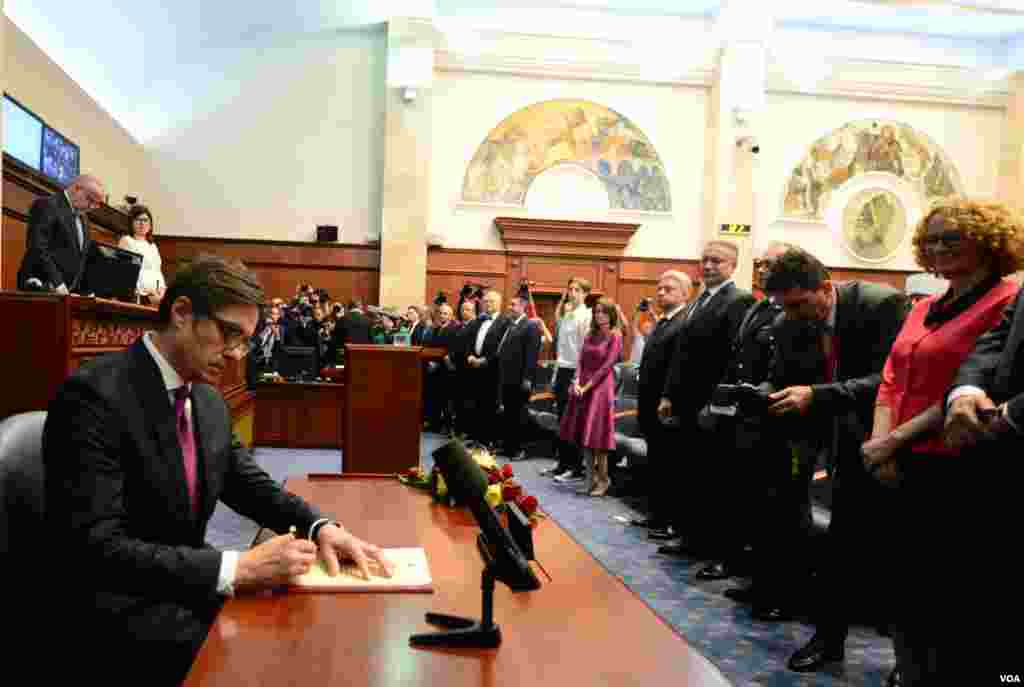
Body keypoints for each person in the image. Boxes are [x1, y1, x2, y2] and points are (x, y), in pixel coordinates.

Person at [43, 254, 394, 686]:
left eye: (245, 340)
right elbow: (97, 549)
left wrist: (319, 525)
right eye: (229, 333)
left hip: (183, 587)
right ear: (182, 313)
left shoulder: (206, 400)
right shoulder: (94, 397)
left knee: (316, 634)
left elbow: (247, 484)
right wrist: (235, 570)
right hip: (116, 613)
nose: (234, 355)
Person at [864, 201, 1022, 686]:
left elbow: (973, 382)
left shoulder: (1002, 298)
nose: (937, 247)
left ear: (987, 242)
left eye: (951, 238)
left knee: (952, 599)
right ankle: (910, 670)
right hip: (900, 460)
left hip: (955, 462)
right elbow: (892, 375)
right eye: (930, 238)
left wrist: (893, 441)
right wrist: (879, 444)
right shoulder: (924, 307)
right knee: (905, 589)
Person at [763, 248, 908, 674]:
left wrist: (817, 394)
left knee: (897, 552)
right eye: (783, 306)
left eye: (798, 304)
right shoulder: (790, 320)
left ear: (825, 289)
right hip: (841, 442)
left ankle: (907, 660)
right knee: (839, 548)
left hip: (893, 441)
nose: (790, 314)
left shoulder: (881, 304)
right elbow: (793, 376)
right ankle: (828, 641)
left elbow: (888, 379)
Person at [657, 241, 755, 555]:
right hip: (685, 402)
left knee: (711, 479)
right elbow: (682, 353)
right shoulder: (700, 299)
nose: (709, 265)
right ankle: (689, 536)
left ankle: (709, 544)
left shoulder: (738, 300)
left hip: (711, 405)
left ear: (733, 265)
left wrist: (715, 403)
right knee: (690, 473)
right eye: (705, 260)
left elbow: (732, 358)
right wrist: (669, 394)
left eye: (717, 260)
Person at [630, 271, 692, 533]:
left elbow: (678, 367)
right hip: (649, 402)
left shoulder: (684, 322)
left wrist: (668, 398)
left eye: (669, 289)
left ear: (685, 294)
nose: (661, 293)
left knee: (669, 466)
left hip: (665, 405)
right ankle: (655, 514)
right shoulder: (664, 321)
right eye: (660, 288)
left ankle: (668, 521)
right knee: (655, 462)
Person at [559, 298, 623, 496]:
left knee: (598, 438)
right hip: (583, 387)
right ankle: (589, 480)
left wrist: (586, 386)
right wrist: (576, 380)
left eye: (603, 312)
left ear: (611, 314)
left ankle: (603, 480)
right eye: (596, 311)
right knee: (584, 436)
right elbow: (580, 360)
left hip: (601, 388)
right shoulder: (590, 334)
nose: (599, 315)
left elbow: (607, 366)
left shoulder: (615, 336)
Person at [17, 174, 106, 293]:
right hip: (41, 286)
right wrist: (57, 282)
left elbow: (80, 259)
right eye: (90, 200)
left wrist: (86, 290)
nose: (91, 207)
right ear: (77, 188)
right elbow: (37, 247)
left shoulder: (84, 219)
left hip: (66, 293)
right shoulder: (47, 205)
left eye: (96, 204)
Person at [550, 278, 593, 482]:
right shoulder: (567, 315)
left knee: (573, 422)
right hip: (563, 370)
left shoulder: (586, 315)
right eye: (570, 289)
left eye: (577, 290)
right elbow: (561, 349)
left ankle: (576, 468)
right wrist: (555, 374)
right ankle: (562, 464)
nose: (572, 293)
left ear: (585, 294)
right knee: (561, 420)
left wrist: (578, 378)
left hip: (576, 372)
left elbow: (585, 350)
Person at [462, 289, 511, 448]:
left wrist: (485, 360)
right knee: (476, 403)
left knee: (489, 405)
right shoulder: (479, 320)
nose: (488, 304)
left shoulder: (505, 322)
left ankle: (488, 440)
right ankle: (477, 438)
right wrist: (469, 355)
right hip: (475, 367)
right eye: (486, 301)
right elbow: (469, 339)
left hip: (492, 370)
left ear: (499, 303)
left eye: (491, 301)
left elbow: (502, 348)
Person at [497, 294, 543, 460]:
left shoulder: (530, 326)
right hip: (508, 378)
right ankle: (508, 446)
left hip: (520, 379)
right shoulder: (512, 325)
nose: (510, 307)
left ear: (523, 307)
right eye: (510, 304)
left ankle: (520, 450)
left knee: (519, 416)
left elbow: (532, 355)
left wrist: (528, 378)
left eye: (513, 305)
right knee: (509, 414)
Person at [118, 205, 167, 303]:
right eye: (138, 219)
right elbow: (128, 272)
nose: (142, 223)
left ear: (150, 224)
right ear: (131, 222)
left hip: (155, 296)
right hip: (138, 296)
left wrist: (162, 289)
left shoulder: (152, 245)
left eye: (145, 220)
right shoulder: (126, 241)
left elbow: (157, 271)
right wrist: (147, 294)